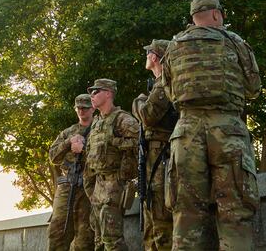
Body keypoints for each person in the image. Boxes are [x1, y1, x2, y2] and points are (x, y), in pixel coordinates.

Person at [162, 0, 262, 250]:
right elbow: (253, 88)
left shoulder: (173, 47)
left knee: (186, 215)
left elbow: (171, 93)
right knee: (235, 211)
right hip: (227, 130)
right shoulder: (234, 41)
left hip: (186, 134)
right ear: (217, 15)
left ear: (194, 17)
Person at [132, 39, 178, 251]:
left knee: (161, 221)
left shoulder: (163, 84)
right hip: (153, 155)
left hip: (162, 157)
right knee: (151, 224)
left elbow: (148, 116)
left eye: (148, 53)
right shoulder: (158, 85)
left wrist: (137, 102)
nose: (146, 57)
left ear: (154, 56)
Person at [83, 78, 139, 251]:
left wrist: (115, 141)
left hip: (115, 184)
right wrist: (90, 188)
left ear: (108, 93)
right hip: (98, 185)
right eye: (91, 92)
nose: (91, 95)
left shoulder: (122, 119)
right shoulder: (97, 122)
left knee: (112, 239)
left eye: (96, 92)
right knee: (99, 240)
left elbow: (140, 141)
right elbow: (90, 154)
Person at [47, 94, 96, 251]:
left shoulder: (99, 129)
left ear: (93, 108)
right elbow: (53, 156)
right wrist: (68, 143)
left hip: (90, 188)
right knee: (57, 232)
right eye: (78, 108)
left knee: (85, 237)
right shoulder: (68, 132)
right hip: (67, 187)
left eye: (85, 108)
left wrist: (84, 148)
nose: (81, 111)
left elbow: (107, 156)